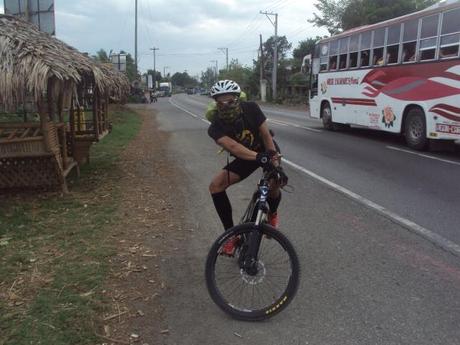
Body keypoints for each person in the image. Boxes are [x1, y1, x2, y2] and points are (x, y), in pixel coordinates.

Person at [207, 80, 287, 255]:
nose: (226, 105)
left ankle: (272, 212)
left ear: (238, 99)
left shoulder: (251, 108)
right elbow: (234, 148)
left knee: (274, 184)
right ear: (216, 103)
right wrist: (258, 157)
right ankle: (231, 236)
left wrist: (273, 160)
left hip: (266, 149)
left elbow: (266, 134)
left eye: (230, 101)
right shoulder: (215, 127)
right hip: (246, 156)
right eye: (220, 102)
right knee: (215, 186)